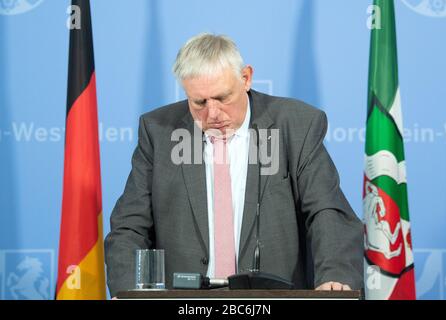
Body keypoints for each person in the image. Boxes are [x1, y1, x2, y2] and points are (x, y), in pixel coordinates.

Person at [104, 33, 364, 297]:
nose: (213, 114)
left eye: (222, 98)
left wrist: (335, 276)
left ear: (246, 78)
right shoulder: (159, 131)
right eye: (200, 102)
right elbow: (129, 226)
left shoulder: (296, 125)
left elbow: (327, 210)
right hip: (186, 301)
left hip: (271, 298)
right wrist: (130, 292)